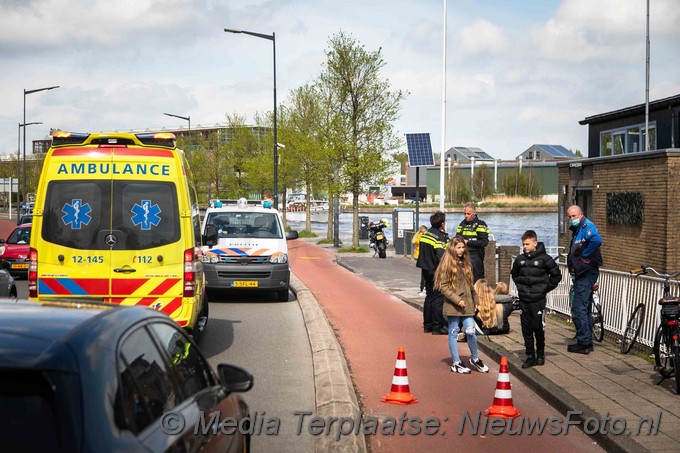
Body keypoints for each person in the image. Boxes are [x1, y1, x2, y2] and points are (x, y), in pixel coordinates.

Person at [435, 236, 489, 373]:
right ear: (452, 248)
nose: (461, 250)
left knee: (471, 332)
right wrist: (457, 299)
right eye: (458, 247)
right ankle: (456, 362)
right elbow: (444, 287)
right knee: (453, 332)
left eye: (463, 247)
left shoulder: (466, 263)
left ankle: (474, 358)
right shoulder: (446, 265)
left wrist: (476, 300)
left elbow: (471, 286)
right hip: (454, 305)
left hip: (468, 305)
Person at [511, 230, 562, 368]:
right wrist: (521, 287)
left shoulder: (545, 259)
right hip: (524, 299)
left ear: (535, 243)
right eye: (523, 244)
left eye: (527, 244)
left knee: (538, 327)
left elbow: (557, 276)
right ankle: (530, 355)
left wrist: (544, 289)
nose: (525, 247)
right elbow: (514, 275)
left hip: (537, 300)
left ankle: (540, 354)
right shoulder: (519, 259)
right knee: (526, 329)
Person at [566, 205, 603, 354]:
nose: (571, 219)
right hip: (581, 273)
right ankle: (586, 339)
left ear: (581, 215)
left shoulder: (587, 226)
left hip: (587, 272)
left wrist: (585, 255)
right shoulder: (578, 229)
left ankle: (584, 342)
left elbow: (596, 240)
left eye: (574, 216)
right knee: (585, 308)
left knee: (578, 308)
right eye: (569, 216)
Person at [416, 211, 449, 335]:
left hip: (425, 270)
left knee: (429, 297)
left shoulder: (425, 234)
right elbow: (441, 256)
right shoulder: (439, 237)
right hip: (436, 270)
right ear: (442, 223)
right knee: (438, 297)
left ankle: (427, 325)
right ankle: (437, 327)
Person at [456, 203, 490, 282]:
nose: (466, 216)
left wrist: (468, 242)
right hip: (463, 256)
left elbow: (484, 242)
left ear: (474, 213)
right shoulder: (462, 224)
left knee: (477, 280)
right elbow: (457, 238)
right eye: (464, 214)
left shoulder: (481, 224)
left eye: (468, 214)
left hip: (476, 256)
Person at [412, 225, 428, 295]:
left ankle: (422, 288)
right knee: (425, 273)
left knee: (423, 273)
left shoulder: (418, 236)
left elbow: (413, 241)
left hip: (419, 255)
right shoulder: (426, 236)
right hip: (424, 256)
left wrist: (417, 233)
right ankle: (424, 288)